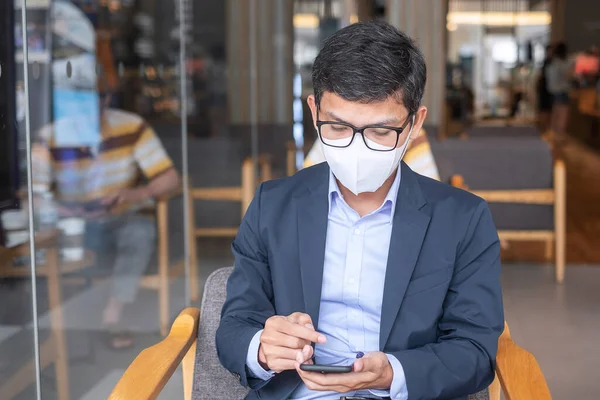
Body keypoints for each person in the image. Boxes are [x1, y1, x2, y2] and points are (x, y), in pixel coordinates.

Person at [216, 22, 503, 400]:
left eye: (381, 132)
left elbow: (475, 353)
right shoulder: (273, 206)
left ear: (415, 123)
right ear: (314, 110)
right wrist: (263, 349)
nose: (357, 148)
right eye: (337, 127)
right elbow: (235, 326)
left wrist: (390, 374)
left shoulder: (463, 219)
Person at [32, 38, 181, 349]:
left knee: (139, 233)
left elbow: (170, 179)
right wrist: (62, 211)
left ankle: (113, 313)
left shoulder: (131, 126)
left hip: (119, 216)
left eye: (94, 99)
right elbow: (34, 193)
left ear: (106, 98)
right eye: (77, 100)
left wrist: (134, 195)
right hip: (71, 225)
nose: (87, 108)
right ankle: (55, 329)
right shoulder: (49, 137)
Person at [303, 125, 441, 181]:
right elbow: (306, 185)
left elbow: (428, 193)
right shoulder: (330, 131)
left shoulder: (408, 133)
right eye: (341, 127)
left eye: (381, 131)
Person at [546, 42, 572, 142]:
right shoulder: (562, 63)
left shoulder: (552, 63)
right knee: (562, 114)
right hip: (562, 90)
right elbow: (568, 75)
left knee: (556, 113)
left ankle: (553, 134)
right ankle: (559, 136)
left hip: (553, 91)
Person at [537, 45, 554, 133]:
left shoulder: (553, 62)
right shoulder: (546, 63)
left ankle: (548, 130)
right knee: (544, 110)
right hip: (544, 89)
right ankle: (543, 129)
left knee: (550, 110)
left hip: (551, 90)